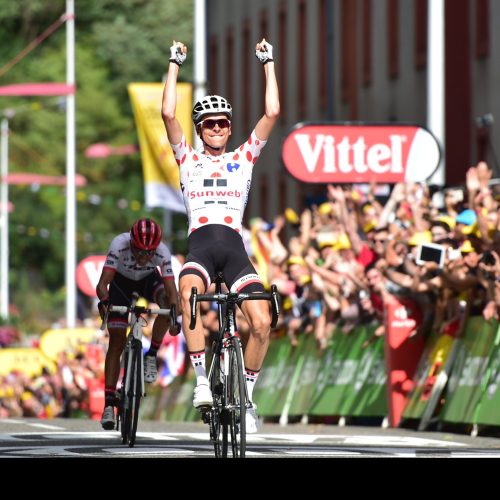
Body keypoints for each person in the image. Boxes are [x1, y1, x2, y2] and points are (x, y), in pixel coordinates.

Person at [162, 38, 280, 433]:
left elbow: (273, 111)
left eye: (223, 122)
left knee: (262, 322)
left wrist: (268, 62)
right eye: (209, 124)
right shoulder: (188, 158)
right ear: (199, 130)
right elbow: (166, 112)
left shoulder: (243, 157)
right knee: (189, 294)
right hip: (200, 248)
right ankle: (200, 382)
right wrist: (174, 62)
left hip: (233, 249)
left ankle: (246, 398)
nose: (217, 128)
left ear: (230, 128)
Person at [96, 218, 180, 430]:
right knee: (116, 342)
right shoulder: (119, 243)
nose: (143, 257)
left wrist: (174, 315)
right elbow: (103, 284)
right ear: (131, 243)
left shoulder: (162, 251)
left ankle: (151, 354)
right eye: (139, 251)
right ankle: (109, 404)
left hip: (147, 281)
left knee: (165, 303)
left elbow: (172, 292)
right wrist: (105, 302)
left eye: (148, 253)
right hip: (120, 285)